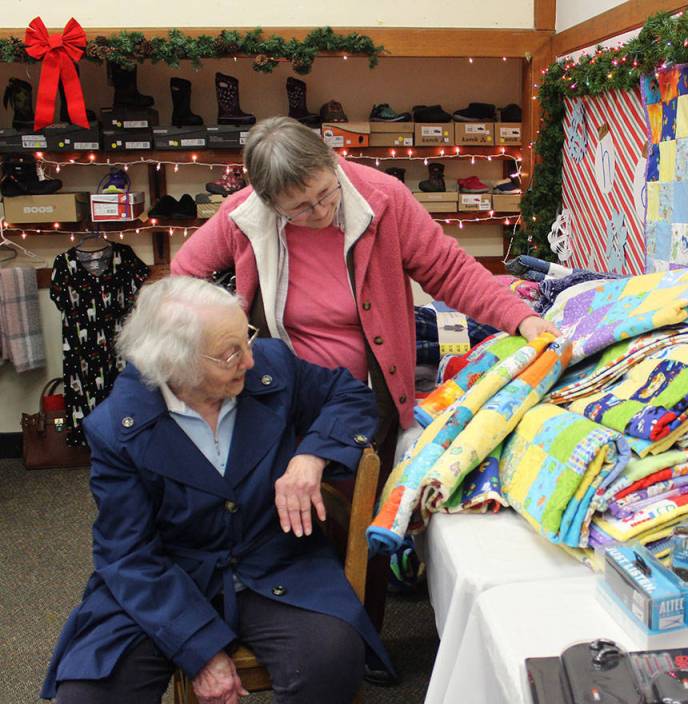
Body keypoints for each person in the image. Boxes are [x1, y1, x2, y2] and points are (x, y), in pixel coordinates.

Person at [171, 116, 560, 675]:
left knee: (361, 513)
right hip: (282, 392)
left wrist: (522, 320)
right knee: (283, 511)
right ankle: (296, 633)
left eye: (326, 193)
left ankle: (359, 643)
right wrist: (226, 334)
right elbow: (184, 276)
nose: (321, 213)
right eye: (300, 209)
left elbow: (449, 269)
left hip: (367, 390)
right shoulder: (244, 217)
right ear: (268, 200)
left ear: (333, 164)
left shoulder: (382, 197)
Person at [42, 277, 388, 704]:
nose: (248, 359)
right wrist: (200, 648)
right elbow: (128, 555)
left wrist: (312, 455)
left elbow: (350, 397)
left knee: (331, 660)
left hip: (276, 560)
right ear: (173, 364)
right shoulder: (116, 429)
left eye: (244, 337)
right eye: (228, 353)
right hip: (170, 578)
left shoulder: (270, 366)